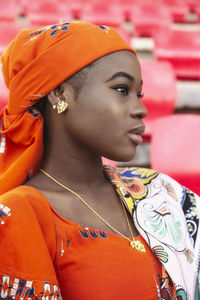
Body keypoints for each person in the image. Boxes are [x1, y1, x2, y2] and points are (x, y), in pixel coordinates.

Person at [0, 21, 199, 300]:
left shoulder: (158, 191)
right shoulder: (20, 213)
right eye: (121, 89)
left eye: (138, 94)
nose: (141, 109)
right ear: (60, 92)